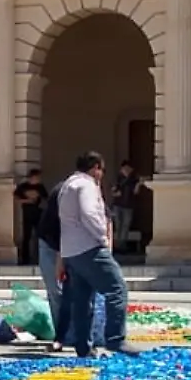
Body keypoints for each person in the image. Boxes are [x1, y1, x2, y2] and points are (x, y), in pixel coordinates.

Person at [58, 151, 138, 358]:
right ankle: (115, 339)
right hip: (89, 247)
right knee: (117, 288)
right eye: (100, 169)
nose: (101, 174)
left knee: (83, 298)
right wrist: (102, 236)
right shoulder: (86, 185)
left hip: (71, 250)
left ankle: (83, 345)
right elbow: (89, 213)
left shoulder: (67, 185)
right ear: (94, 167)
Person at [35, 172, 73, 353]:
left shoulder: (90, 191)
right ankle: (62, 335)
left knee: (75, 293)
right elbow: (60, 229)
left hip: (73, 246)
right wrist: (60, 260)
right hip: (51, 244)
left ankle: (73, 334)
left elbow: (105, 217)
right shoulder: (64, 193)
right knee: (55, 291)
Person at [14, 169, 46, 266]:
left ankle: (39, 258)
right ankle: (25, 259)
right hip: (27, 214)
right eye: (37, 177)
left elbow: (46, 198)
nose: (38, 179)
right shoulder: (23, 187)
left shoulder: (40, 187)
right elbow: (16, 198)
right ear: (32, 177)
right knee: (26, 237)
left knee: (39, 237)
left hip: (38, 214)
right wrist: (28, 200)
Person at [109, 161, 142, 256]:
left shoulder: (134, 179)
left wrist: (138, 184)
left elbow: (135, 192)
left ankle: (122, 246)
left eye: (129, 169)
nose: (127, 171)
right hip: (117, 205)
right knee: (118, 226)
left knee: (125, 226)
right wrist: (115, 193)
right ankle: (117, 246)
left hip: (129, 206)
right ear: (121, 169)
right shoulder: (117, 179)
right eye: (125, 169)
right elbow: (112, 190)